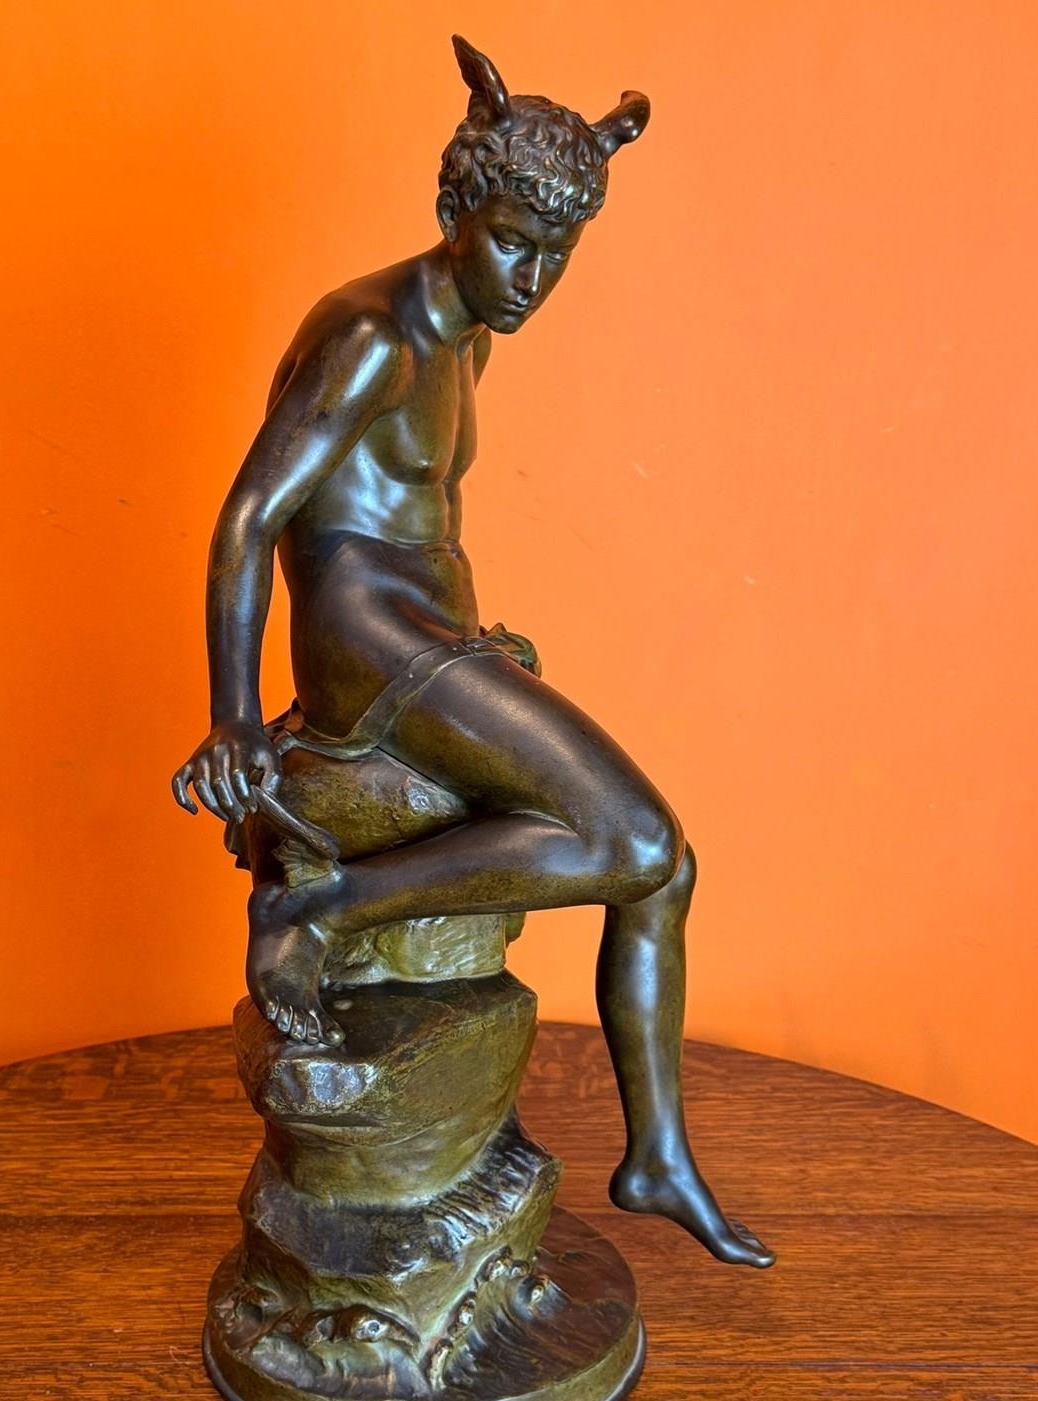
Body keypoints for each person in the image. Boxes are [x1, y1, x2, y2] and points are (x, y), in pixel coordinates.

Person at [173, 37, 774, 1269]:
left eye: (556, 254)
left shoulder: (470, 332)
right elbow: (248, 521)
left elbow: (421, 521)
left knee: (664, 872)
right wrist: (236, 716)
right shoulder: (373, 337)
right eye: (511, 243)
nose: (531, 278)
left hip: (435, 641)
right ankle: (323, 900)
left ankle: (656, 1153)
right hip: (373, 659)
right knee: (637, 839)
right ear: (456, 209)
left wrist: (480, 644)